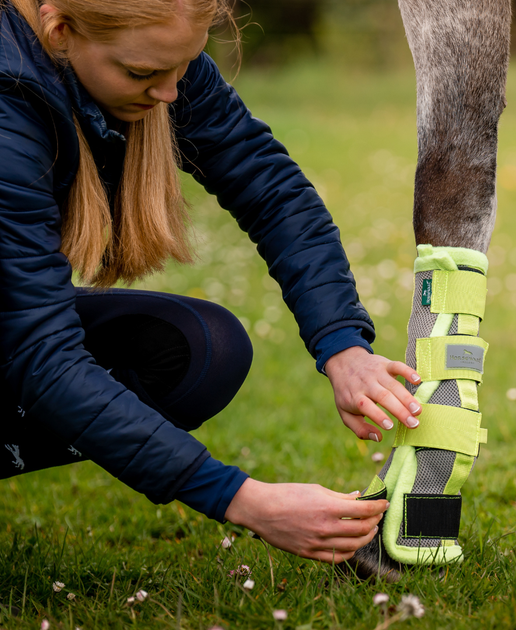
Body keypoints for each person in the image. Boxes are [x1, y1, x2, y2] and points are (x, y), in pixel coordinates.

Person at [0, 0, 423, 564]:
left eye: (185, 66)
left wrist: (343, 343)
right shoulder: (8, 113)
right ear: (59, 32)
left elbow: (270, 188)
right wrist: (241, 499)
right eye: (142, 74)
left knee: (200, 352)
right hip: (21, 342)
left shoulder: (160, 62)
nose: (171, 94)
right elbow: (41, 356)